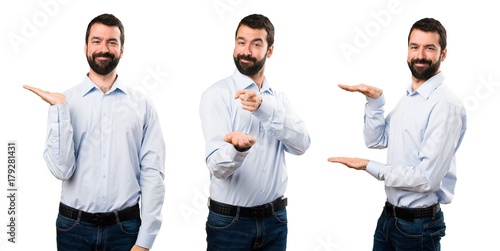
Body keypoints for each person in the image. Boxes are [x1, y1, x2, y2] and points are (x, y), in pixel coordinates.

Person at [23, 13, 165, 251]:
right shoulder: (64, 101)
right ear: (86, 46)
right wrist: (59, 109)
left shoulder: (142, 105)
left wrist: (145, 240)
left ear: (122, 49)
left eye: (112, 42)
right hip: (73, 228)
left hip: (126, 228)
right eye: (97, 41)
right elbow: (61, 169)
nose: (104, 48)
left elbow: (153, 173)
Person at [328, 17, 467, 250]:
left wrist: (369, 166)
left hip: (419, 227)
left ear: (443, 54)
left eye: (429, 48)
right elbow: (377, 140)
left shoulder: (445, 106)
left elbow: (426, 178)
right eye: (415, 47)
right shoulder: (409, 99)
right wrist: (375, 102)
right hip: (389, 219)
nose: (420, 55)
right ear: (408, 50)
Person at [199, 13, 310, 250]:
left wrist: (263, 108)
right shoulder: (216, 95)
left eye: (256, 44)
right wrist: (237, 149)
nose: (246, 51)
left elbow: (302, 144)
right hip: (230, 224)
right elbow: (216, 168)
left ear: (270, 51)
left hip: (275, 222)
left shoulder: (279, 101)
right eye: (241, 42)